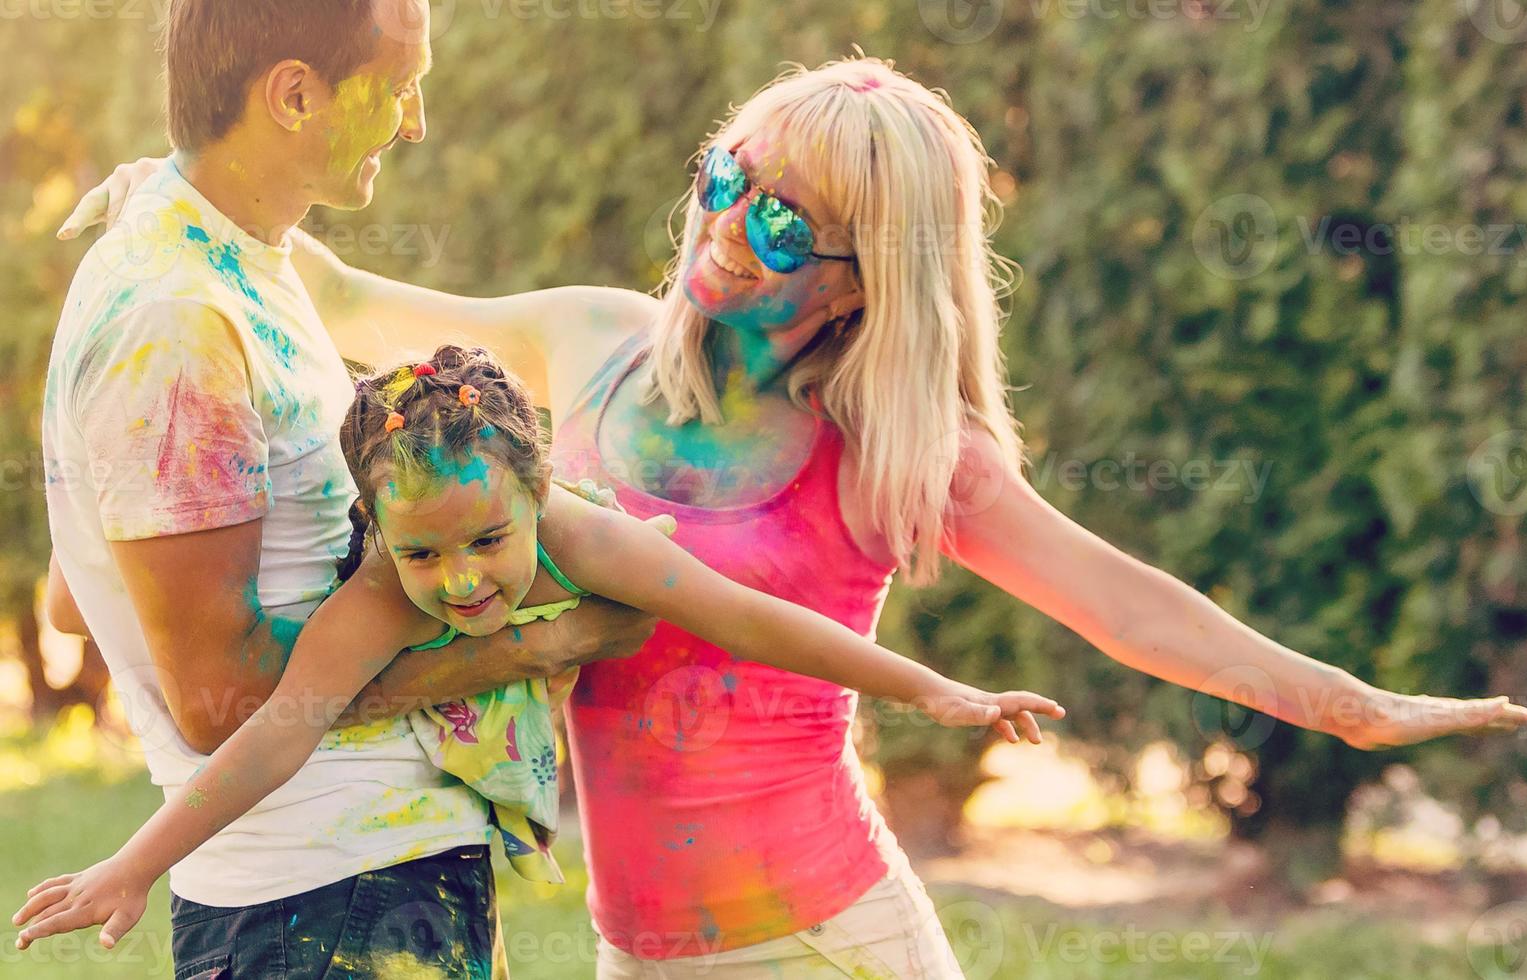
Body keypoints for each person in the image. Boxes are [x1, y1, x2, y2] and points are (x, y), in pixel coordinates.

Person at [56, 55, 1527, 979]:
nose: (718, 224)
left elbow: (1123, 602)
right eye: (724, 176)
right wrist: (175, 197)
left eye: (776, 220)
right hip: (646, 950)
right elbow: (339, 292)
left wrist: (1340, 706)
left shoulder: (895, 452)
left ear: (858, 274)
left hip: (826, 933)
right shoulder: (587, 343)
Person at [13, 344, 1060, 955]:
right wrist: (134, 863)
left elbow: (747, 617)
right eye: (425, 551)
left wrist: (936, 690)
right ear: (377, 531)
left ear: (536, 494)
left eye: (487, 540)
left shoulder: (580, 534)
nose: (462, 577)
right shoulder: (378, 592)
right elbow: (277, 731)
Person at [31, 2, 658, 977]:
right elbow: (215, 695)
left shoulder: (241, 255)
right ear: (293, 94)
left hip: (370, 880)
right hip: (322, 909)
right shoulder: (175, 321)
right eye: (401, 87)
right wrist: (542, 641)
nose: (415, 123)